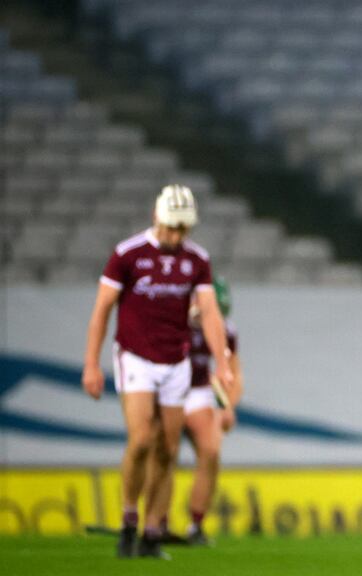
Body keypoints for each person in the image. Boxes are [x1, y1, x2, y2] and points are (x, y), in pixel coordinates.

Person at [82, 184, 234, 559]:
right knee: (142, 440)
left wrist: (223, 363)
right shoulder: (127, 254)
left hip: (176, 361)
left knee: (168, 448)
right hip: (136, 357)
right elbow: (102, 310)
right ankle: (128, 519)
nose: (176, 236)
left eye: (183, 229)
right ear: (156, 217)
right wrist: (91, 364)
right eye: (171, 227)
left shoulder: (197, 260)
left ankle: (151, 531)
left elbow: (211, 313)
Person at [149, 276, 243, 546]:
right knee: (166, 454)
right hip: (169, 393)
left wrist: (227, 406)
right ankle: (158, 523)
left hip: (199, 392)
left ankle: (197, 525)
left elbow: (235, 372)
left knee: (211, 451)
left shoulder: (226, 329)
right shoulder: (172, 323)